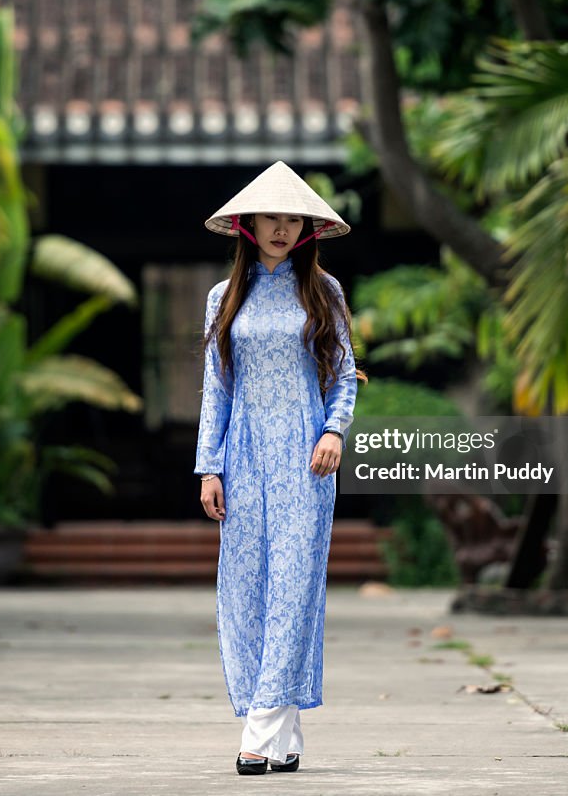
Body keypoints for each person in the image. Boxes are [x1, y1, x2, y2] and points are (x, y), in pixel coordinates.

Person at [195, 160, 361, 776]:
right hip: (242, 458)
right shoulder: (223, 298)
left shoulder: (323, 292)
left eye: (295, 218)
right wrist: (209, 466)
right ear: (249, 224)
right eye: (273, 216)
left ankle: (258, 730)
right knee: (247, 593)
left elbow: (343, 375)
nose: (283, 228)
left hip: (305, 461)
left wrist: (333, 431)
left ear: (308, 228)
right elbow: (216, 387)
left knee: (294, 587)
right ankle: (286, 735)